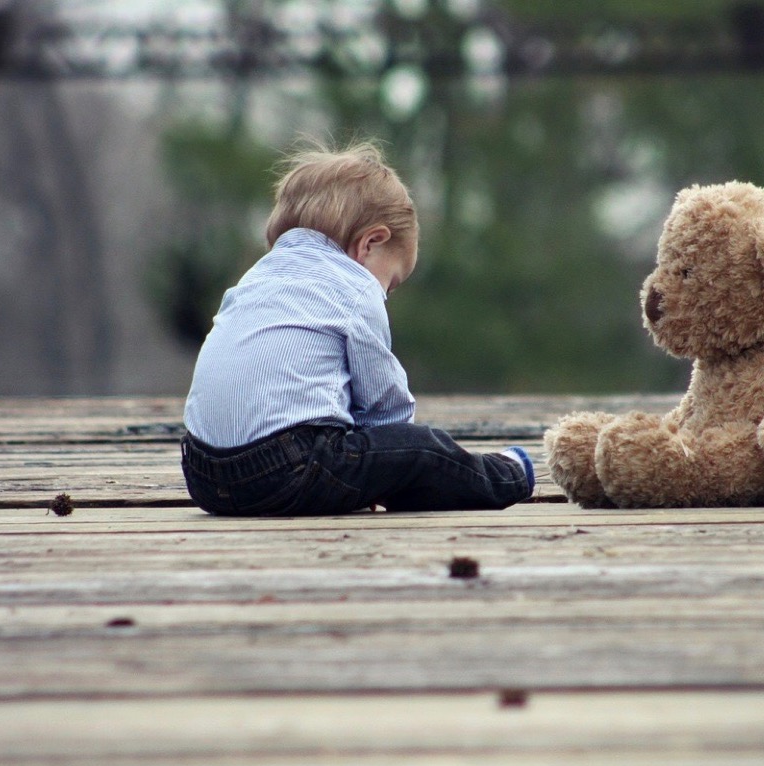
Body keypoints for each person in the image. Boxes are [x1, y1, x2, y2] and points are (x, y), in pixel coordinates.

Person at [180, 141, 534, 515]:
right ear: (370, 243)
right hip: (287, 470)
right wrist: (392, 462)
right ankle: (508, 474)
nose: (385, 294)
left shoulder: (256, 278)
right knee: (424, 450)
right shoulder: (355, 286)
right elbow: (385, 407)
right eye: (392, 283)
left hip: (203, 475)